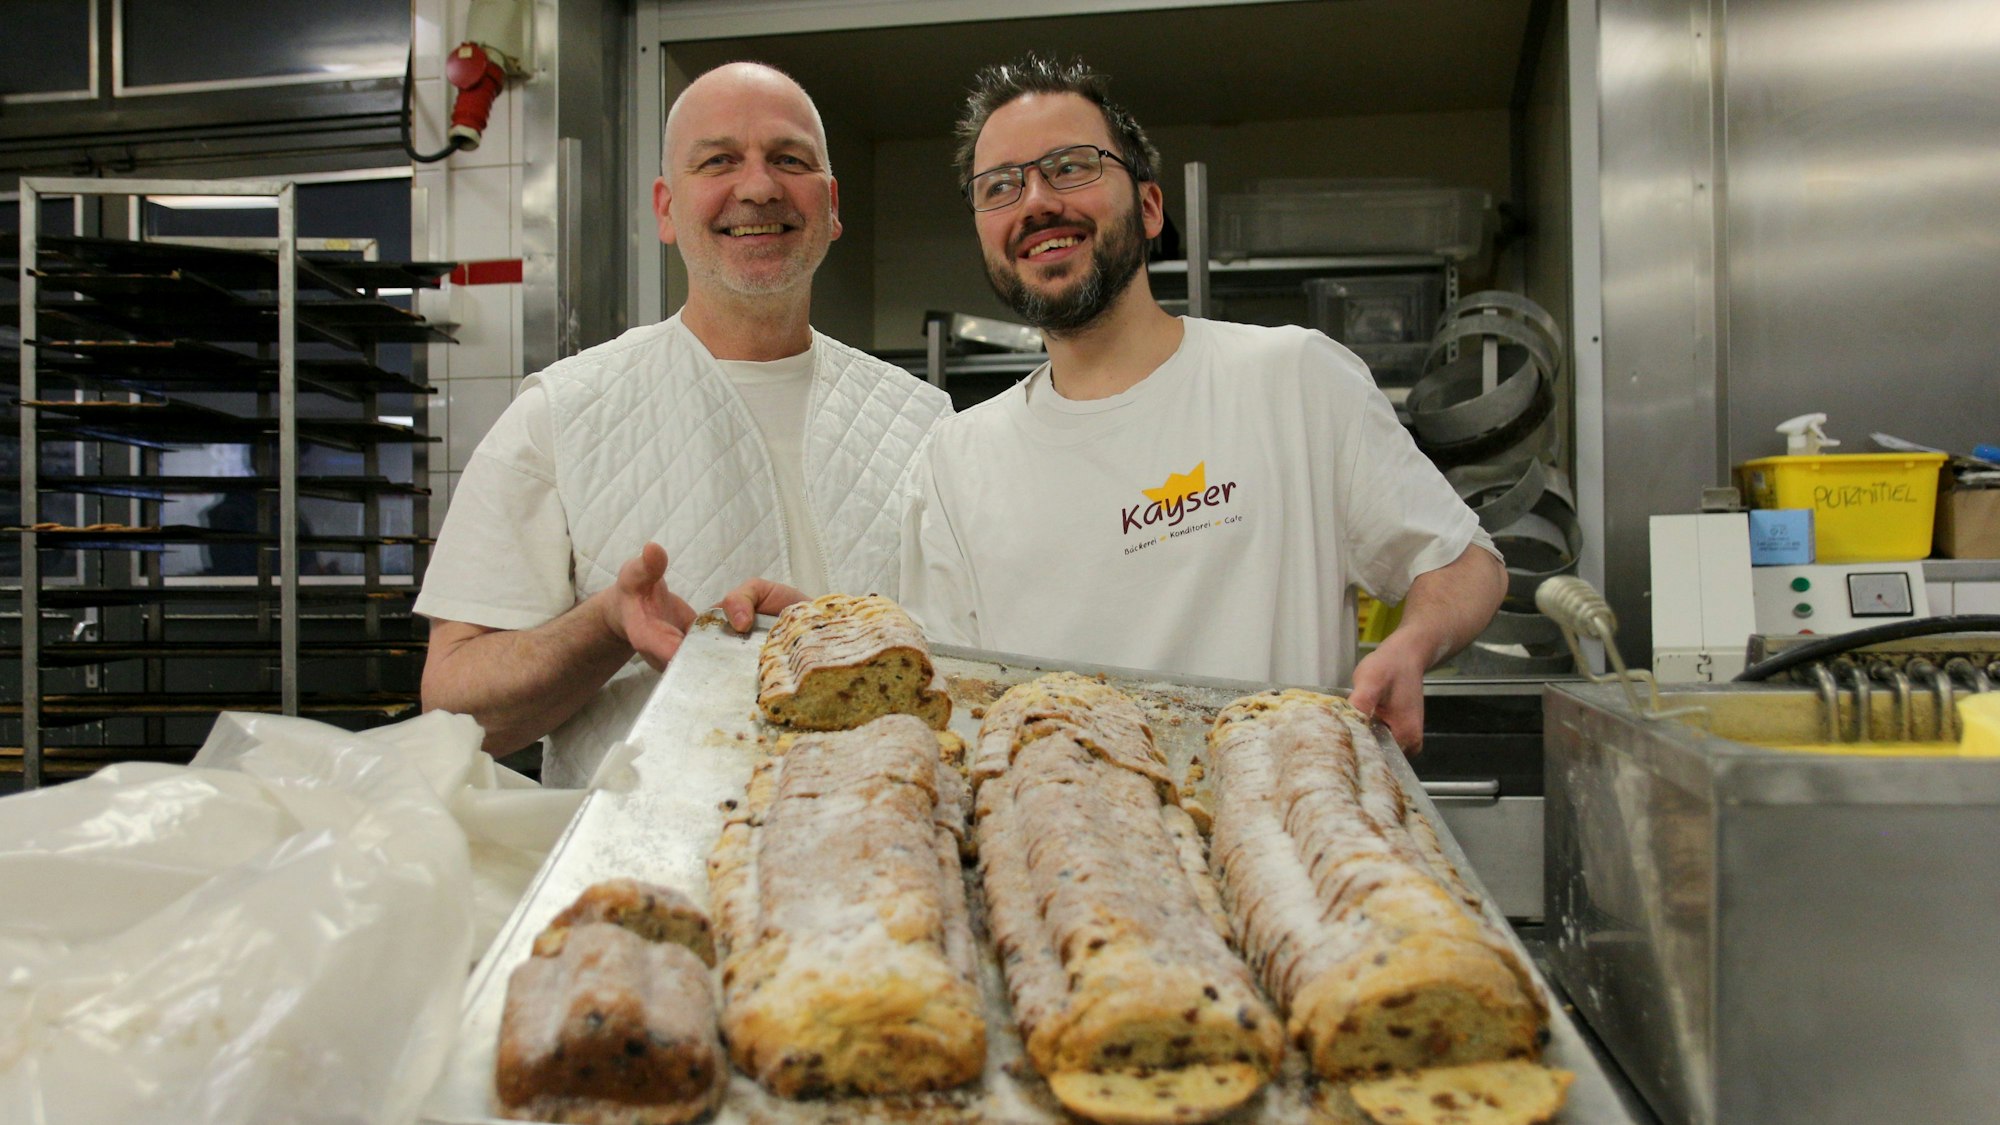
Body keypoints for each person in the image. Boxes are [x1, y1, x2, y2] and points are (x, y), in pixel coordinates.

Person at [898, 54, 1505, 751]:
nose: (1035, 202)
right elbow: (950, 690)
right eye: (1000, 185)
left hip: (1282, 825)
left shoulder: (1293, 379)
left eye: (1070, 167)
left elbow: (1464, 560)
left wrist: (1414, 643)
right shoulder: (954, 459)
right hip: (1069, 842)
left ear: (1150, 208)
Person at [417, 62, 952, 785]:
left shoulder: (924, 422)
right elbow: (452, 713)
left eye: (789, 160)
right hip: (647, 882)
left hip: (887, 866)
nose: (758, 186)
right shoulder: (561, 415)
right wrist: (604, 626)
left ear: (830, 206)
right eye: (719, 161)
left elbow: (984, 665)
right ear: (666, 210)